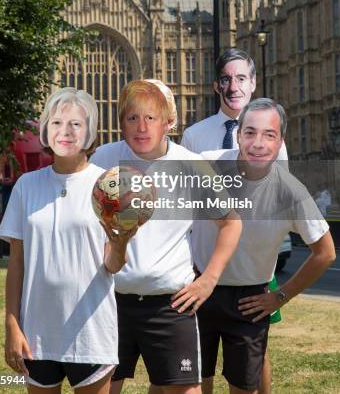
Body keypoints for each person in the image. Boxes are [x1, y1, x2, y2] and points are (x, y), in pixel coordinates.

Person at [90, 79, 242, 394]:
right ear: (121, 124)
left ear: (168, 123)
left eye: (151, 118)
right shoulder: (103, 160)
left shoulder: (192, 165)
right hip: (109, 303)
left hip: (170, 305)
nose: (141, 127)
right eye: (132, 118)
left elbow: (231, 223)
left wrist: (209, 279)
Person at [0, 87, 135, 393]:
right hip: (38, 334)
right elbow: (16, 263)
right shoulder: (26, 185)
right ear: (46, 129)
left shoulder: (108, 185)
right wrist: (11, 324)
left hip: (91, 331)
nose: (66, 132)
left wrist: (121, 242)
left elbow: (112, 266)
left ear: (90, 132)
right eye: (57, 123)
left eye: (76, 124)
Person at [195, 98, 336, 394]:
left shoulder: (291, 192)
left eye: (268, 135)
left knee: (244, 387)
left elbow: (325, 253)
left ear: (280, 141)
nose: (258, 143)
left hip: (250, 299)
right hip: (200, 285)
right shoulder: (207, 164)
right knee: (193, 383)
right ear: (238, 135)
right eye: (250, 132)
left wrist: (280, 296)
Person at [181, 48, 286, 392]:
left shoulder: (272, 140)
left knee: (256, 353)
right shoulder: (196, 136)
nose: (234, 86)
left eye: (241, 78)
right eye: (226, 79)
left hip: (253, 268)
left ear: (253, 83)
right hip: (207, 263)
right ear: (216, 86)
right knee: (201, 362)